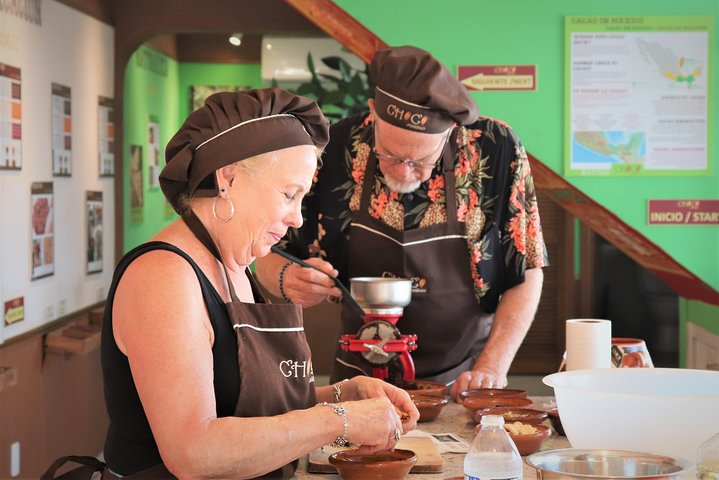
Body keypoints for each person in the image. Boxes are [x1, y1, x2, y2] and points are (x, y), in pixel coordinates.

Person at [100, 88, 418, 478]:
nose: (298, 219)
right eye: (289, 194)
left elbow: (248, 409)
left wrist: (344, 393)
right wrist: (341, 420)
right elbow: (193, 451)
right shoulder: (163, 276)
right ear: (228, 179)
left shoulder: (234, 268)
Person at [254, 47, 548, 402]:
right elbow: (263, 253)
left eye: (421, 160)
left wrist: (491, 368)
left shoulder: (494, 148)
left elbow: (527, 268)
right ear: (374, 112)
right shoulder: (335, 147)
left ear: (451, 131)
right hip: (357, 378)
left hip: (463, 379)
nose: (404, 170)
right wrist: (287, 278)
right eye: (390, 155)